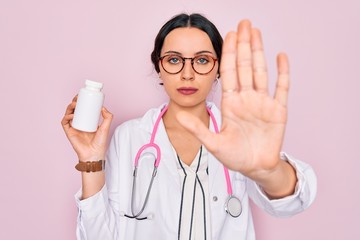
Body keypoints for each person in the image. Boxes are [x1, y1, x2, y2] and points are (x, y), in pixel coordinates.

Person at [61, 13, 317, 240]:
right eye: (174, 60)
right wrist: (91, 162)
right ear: (158, 67)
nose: (187, 73)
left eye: (202, 60)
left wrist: (268, 170)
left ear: (218, 69)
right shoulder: (129, 137)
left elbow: (293, 202)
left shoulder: (237, 135)